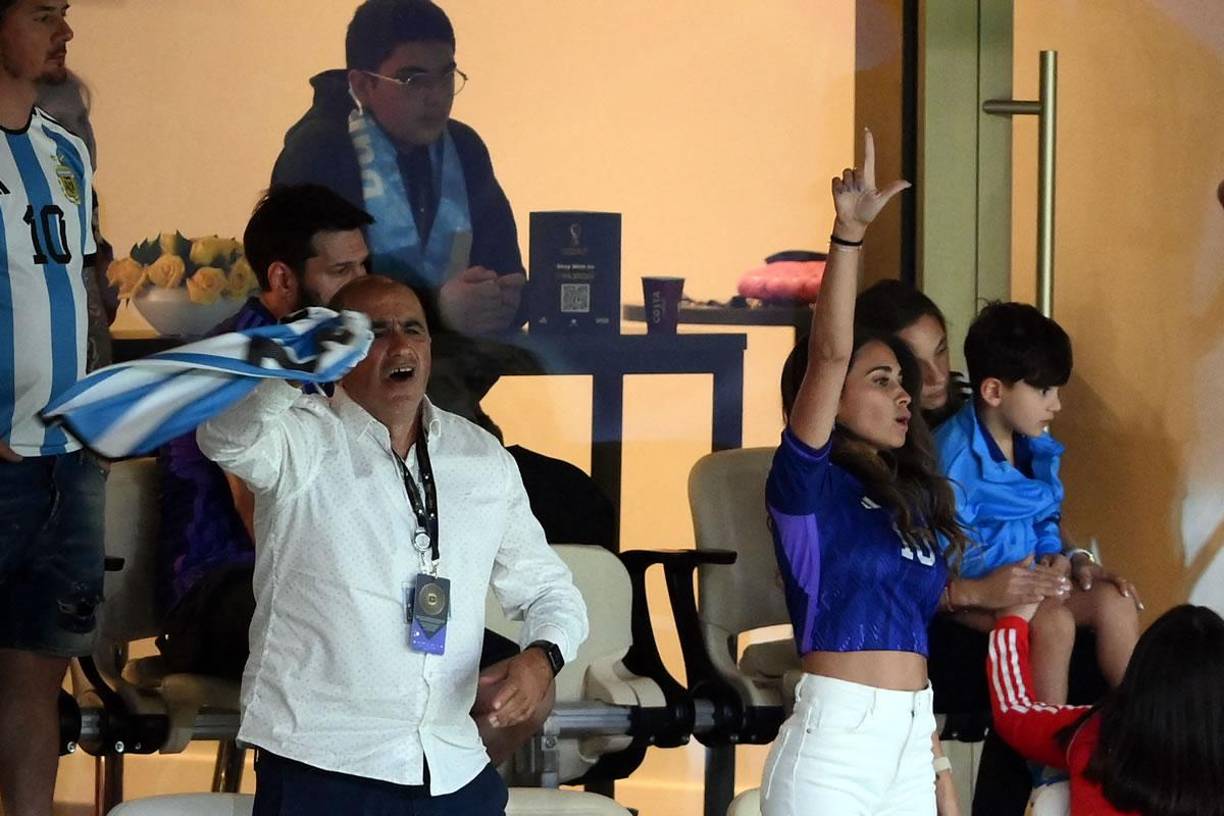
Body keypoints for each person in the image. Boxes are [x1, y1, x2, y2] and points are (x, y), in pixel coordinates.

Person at [197, 275, 587, 815]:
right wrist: (293, 365)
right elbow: (223, 434)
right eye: (374, 332)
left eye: (413, 329)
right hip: (323, 762)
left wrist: (542, 659)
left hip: (451, 766)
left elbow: (550, 591)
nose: (400, 345)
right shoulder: (299, 440)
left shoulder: (480, 458)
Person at [761, 130, 965, 816]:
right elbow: (828, 353)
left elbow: (912, 634)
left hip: (910, 740)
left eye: (902, 382)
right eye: (882, 379)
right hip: (833, 748)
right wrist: (848, 237)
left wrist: (935, 762)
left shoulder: (908, 496)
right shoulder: (805, 487)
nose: (906, 394)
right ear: (834, 397)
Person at [847, 280, 1102, 816]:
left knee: (1087, 638)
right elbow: (889, 577)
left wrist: (1077, 559)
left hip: (995, 597)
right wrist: (980, 591)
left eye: (941, 350)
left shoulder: (985, 409)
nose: (936, 375)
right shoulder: (881, 447)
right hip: (930, 619)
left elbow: (1036, 507)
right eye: (914, 362)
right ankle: (1039, 783)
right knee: (1043, 648)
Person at [156, 184, 372, 680]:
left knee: (476, 652)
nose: (362, 285)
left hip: (313, 587)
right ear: (283, 278)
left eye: (364, 266)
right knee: (376, 636)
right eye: (342, 271)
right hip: (219, 593)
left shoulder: (334, 350)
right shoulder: (235, 361)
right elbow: (260, 515)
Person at [271, 0, 525, 338]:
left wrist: (505, 298)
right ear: (363, 85)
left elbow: (504, 267)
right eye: (412, 80)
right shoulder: (319, 152)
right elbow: (310, 298)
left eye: (446, 76)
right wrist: (436, 309)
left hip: (452, 373)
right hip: (338, 379)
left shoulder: (464, 148)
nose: (436, 97)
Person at [0, 2, 103, 814]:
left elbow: (81, 290)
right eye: (42, 13)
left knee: (39, 679)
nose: (63, 30)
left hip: (66, 462)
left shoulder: (66, 150)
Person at [935, 302, 1140, 706]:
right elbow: (947, 547)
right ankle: (1046, 752)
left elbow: (1045, 515)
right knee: (1057, 623)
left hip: (1034, 581)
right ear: (994, 391)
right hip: (978, 594)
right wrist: (1028, 577)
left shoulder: (1033, 443)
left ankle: (1147, 734)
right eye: (1044, 391)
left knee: (1117, 602)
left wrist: (1059, 558)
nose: (1057, 405)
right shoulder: (952, 458)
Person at [988, 601, 1224, 816]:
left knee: (1051, 801)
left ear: (1137, 676)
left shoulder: (1092, 734)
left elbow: (1013, 712)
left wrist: (1010, 623)